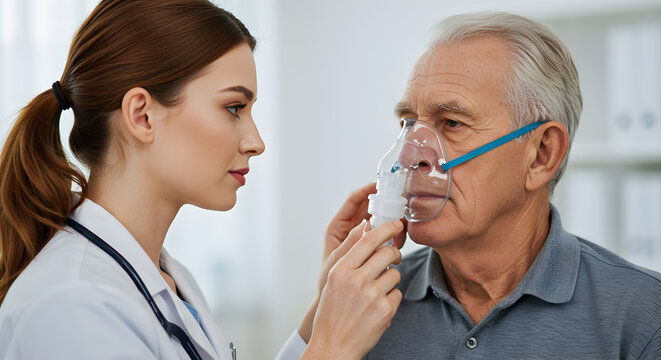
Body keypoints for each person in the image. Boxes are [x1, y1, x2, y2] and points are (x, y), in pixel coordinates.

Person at [0, 1, 405, 359]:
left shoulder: (166, 276)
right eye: (233, 107)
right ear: (142, 115)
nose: (257, 142)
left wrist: (320, 317)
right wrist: (333, 349)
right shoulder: (73, 305)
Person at [363, 11, 661, 359]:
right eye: (409, 123)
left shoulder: (643, 319)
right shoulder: (368, 304)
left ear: (541, 155)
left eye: (453, 123)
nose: (413, 154)